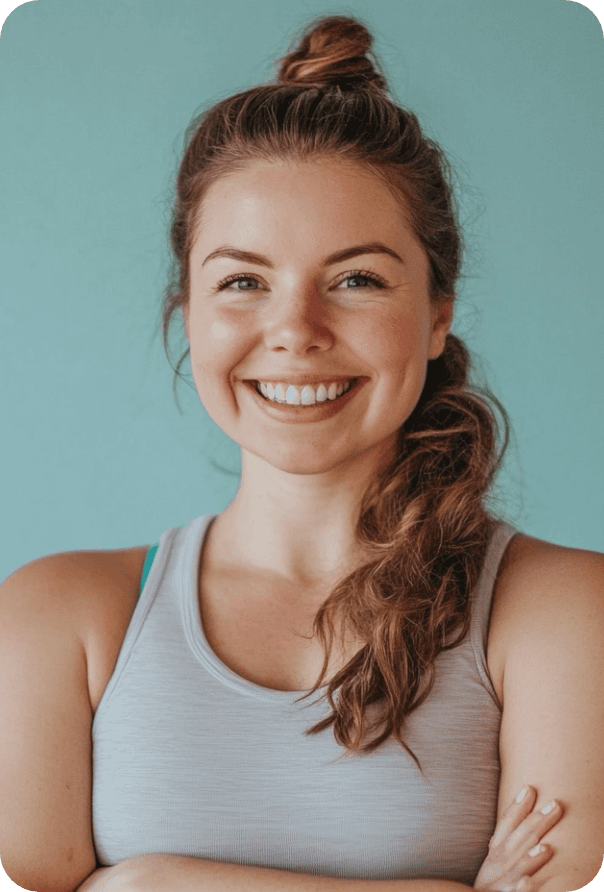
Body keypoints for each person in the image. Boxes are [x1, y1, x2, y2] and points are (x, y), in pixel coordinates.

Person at [1, 14, 603, 892]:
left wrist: (146, 881)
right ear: (189, 316)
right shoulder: (54, 616)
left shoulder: (561, 610)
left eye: (356, 279)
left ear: (437, 315)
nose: (295, 331)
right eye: (243, 281)